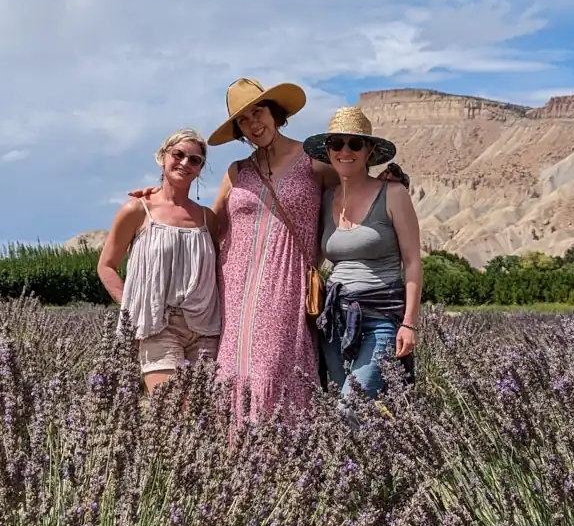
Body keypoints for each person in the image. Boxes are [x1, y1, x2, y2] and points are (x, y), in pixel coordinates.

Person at [129, 78, 407, 421]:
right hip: (233, 288)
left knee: (275, 366)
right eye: (243, 119)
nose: (253, 124)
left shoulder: (315, 165)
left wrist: (391, 180)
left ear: (275, 112)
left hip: (286, 286)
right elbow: (208, 226)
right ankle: (235, 463)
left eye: (257, 112)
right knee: (231, 374)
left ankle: (284, 459)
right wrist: (161, 199)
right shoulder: (237, 171)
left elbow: (357, 189)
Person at [305, 106, 422, 404]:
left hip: (380, 319)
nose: (345, 151)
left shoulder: (393, 195)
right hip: (334, 320)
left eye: (355, 144)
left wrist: (409, 323)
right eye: (337, 144)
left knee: (351, 407)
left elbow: (412, 262)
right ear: (328, 151)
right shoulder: (328, 198)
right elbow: (316, 257)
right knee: (348, 411)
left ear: (369, 150)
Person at [97, 128, 222, 392]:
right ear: (162, 157)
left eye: (195, 159)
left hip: (205, 329)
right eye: (178, 154)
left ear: (200, 169)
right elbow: (106, 266)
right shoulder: (137, 210)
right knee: (168, 412)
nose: (185, 163)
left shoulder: (206, 218)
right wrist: (132, 306)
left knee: (203, 417)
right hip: (158, 326)